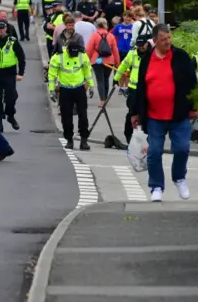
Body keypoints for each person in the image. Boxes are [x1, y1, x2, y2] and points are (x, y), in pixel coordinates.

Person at [130, 24, 198, 202]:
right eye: (163, 39)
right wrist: (135, 112)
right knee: (154, 152)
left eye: (169, 38)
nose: (168, 41)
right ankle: (156, 187)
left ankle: (179, 178)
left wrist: (194, 107)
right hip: (154, 116)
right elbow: (140, 87)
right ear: (155, 41)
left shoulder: (181, 57)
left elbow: (192, 83)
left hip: (179, 114)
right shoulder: (146, 59)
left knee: (182, 149)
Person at [48, 42, 95, 150]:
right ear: (67, 50)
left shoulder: (82, 55)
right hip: (65, 90)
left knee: (83, 116)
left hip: (79, 88)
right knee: (66, 117)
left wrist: (91, 86)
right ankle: (69, 140)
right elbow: (52, 75)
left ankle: (84, 140)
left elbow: (87, 71)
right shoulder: (58, 57)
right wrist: (52, 90)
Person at [113, 34, 151, 144]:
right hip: (134, 88)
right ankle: (128, 136)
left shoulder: (152, 54)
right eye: (139, 45)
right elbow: (123, 66)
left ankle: (146, 137)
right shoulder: (132, 54)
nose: (141, 48)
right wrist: (116, 79)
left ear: (147, 43)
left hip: (147, 88)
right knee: (131, 113)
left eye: (142, 45)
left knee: (146, 114)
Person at [85, 18, 121, 106]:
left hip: (97, 60)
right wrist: (117, 63)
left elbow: (89, 49)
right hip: (109, 60)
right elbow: (115, 50)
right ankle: (105, 98)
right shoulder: (111, 36)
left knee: (99, 80)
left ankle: (102, 100)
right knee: (106, 79)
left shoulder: (94, 35)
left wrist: (86, 60)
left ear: (96, 25)